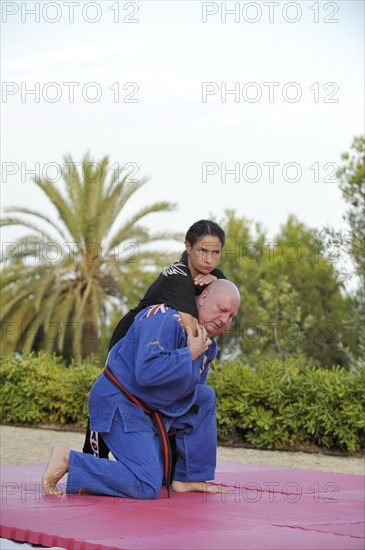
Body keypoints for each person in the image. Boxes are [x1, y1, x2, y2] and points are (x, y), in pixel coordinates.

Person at [42, 279, 241, 499]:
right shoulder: (165, 319)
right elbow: (146, 373)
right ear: (203, 298)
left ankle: (188, 476)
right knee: (146, 483)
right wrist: (188, 354)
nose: (225, 320)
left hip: (151, 405)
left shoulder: (206, 342)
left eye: (231, 316)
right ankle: (70, 461)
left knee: (203, 398)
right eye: (222, 310)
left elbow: (189, 389)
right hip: (120, 401)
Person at [83, 219, 227, 459]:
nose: (209, 260)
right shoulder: (176, 276)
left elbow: (225, 306)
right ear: (188, 247)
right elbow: (194, 332)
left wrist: (217, 284)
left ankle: (158, 458)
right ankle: (91, 455)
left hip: (167, 343)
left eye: (216, 253)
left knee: (165, 394)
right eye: (203, 250)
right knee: (114, 392)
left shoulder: (215, 276)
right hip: (130, 340)